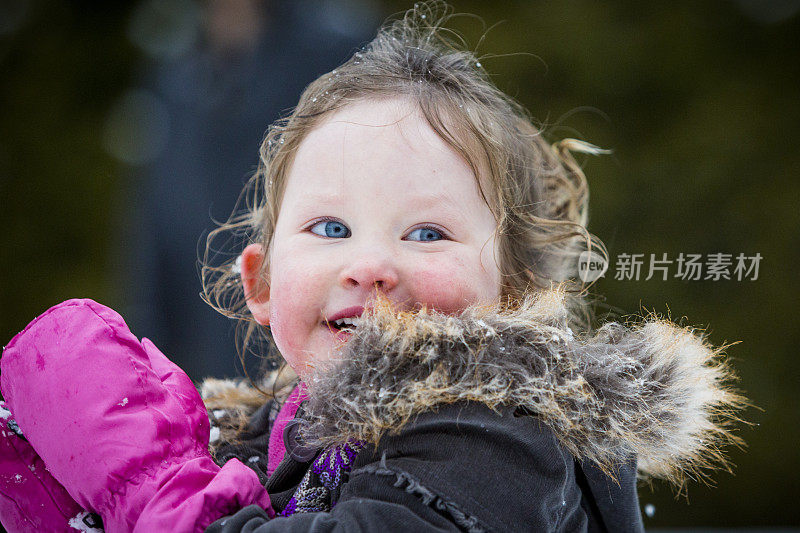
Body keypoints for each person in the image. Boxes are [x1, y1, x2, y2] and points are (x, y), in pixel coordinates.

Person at [0, 3, 745, 532]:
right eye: (330, 227)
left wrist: (151, 479)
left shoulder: (500, 436)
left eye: (426, 231)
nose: (370, 264)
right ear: (259, 282)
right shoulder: (260, 441)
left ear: (513, 290)